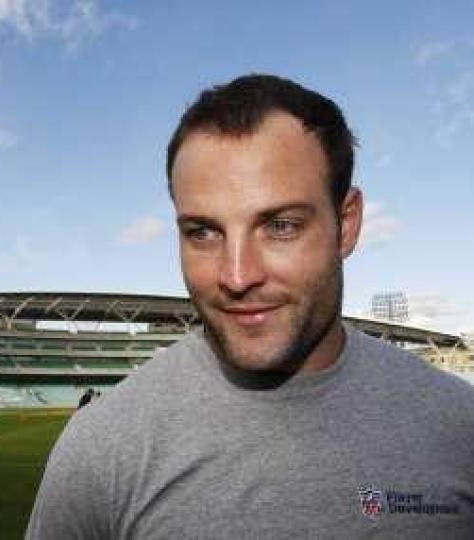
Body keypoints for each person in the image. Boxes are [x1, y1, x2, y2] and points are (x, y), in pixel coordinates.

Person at [27, 74, 474, 538]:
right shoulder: (100, 449)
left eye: (280, 226)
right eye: (203, 232)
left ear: (346, 224)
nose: (237, 276)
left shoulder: (460, 426)